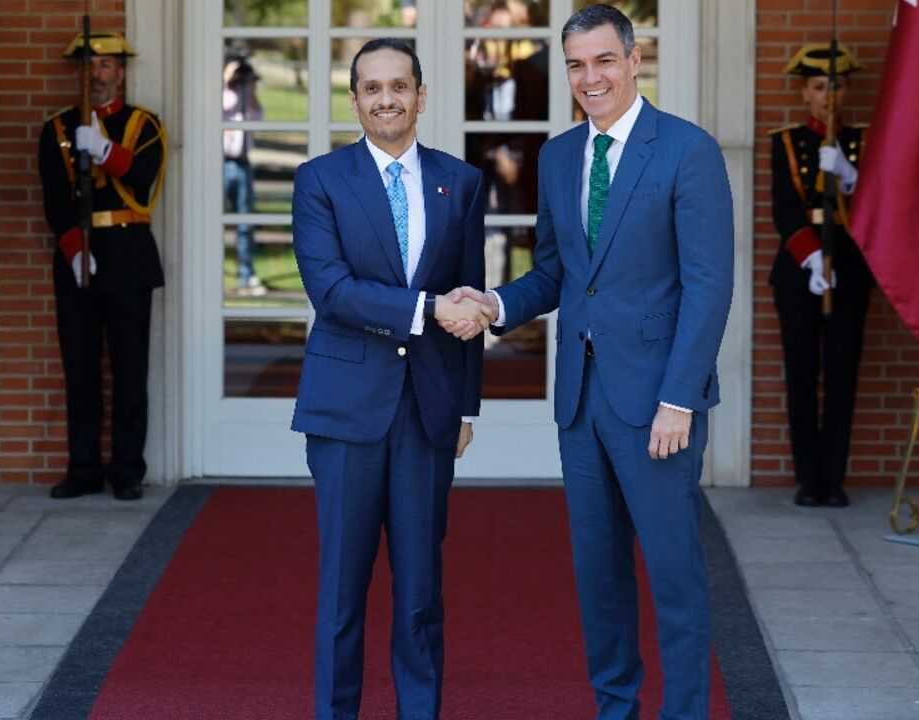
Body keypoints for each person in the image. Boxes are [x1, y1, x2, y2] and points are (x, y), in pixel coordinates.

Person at [446, 6, 733, 719]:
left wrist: (680, 398)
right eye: (576, 64)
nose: (590, 77)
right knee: (598, 577)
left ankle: (687, 712)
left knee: (673, 576)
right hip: (580, 398)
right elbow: (556, 274)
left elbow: (709, 285)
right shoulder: (560, 156)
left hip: (657, 402)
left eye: (604, 60)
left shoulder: (685, 150)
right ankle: (615, 708)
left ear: (635, 60)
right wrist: (495, 303)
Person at [289, 39, 493, 720]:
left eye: (399, 86)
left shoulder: (460, 182)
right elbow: (334, 292)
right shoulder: (319, 180)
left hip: (428, 412)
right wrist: (428, 309)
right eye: (371, 88)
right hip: (346, 410)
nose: (386, 99)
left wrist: (467, 407)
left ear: (421, 95)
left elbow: (470, 294)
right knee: (343, 593)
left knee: (419, 596)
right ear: (354, 100)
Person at [38, 31, 166, 501]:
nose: (98, 73)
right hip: (80, 259)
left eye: (107, 65)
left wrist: (103, 149)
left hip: (129, 255)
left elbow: (143, 179)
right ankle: (84, 467)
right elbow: (55, 201)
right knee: (81, 366)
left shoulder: (143, 125)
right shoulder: (56, 129)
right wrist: (75, 250)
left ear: (122, 73)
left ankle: (127, 469)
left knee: (130, 370)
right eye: (90, 65)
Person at [770, 43, 873, 508]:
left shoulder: (863, 142)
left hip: (849, 270)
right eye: (817, 87)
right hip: (801, 272)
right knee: (802, 374)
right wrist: (812, 259)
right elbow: (785, 210)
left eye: (834, 85)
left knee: (842, 373)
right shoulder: (787, 141)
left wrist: (850, 176)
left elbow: (877, 207)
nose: (827, 96)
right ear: (804, 94)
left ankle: (834, 478)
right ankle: (808, 478)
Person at [223, 51, 265, 296]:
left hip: (242, 162)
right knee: (214, 220)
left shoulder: (246, 97)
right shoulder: (223, 93)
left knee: (245, 223)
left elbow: (258, 116)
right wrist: (224, 80)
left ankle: (246, 274)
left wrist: (250, 89)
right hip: (221, 162)